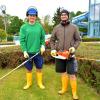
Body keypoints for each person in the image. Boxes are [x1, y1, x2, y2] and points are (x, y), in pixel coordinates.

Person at [50, 9, 81, 100]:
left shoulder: (74, 27)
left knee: (72, 74)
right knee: (63, 73)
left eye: (65, 14)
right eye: (62, 15)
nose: (63, 16)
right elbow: (52, 40)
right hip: (59, 54)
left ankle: (74, 93)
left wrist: (74, 48)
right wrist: (53, 49)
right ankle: (63, 89)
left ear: (68, 16)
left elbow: (78, 40)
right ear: (60, 16)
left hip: (70, 55)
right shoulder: (56, 28)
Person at [20, 6, 45, 90]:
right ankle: (28, 83)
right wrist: (24, 51)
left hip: (38, 52)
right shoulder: (23, 27)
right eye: (30, 15)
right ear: (27, 16)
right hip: (28, 53)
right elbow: (22, 40)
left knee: (39, 68)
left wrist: (42, 45)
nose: (32, 17)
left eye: (33, 15)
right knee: (28, 69)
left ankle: (40, 83)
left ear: (36, 16)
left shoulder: (39, 27)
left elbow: (42, 38)